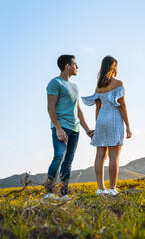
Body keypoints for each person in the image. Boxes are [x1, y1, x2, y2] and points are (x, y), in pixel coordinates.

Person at [45, 55, 94, 200]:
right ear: (67, 66)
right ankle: (48, 193)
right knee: (59, 156)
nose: (77, 67)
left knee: (68, 161)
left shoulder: (75, 86)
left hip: (75, 129)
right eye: (75, 65)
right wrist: (58, 128)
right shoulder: (55, 83)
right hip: (61, 127)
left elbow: (78, 110)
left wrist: (86, 129)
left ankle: (63, 194)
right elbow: (50, 107)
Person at [82, 56, 132, 196]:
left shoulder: (99, 86)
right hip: (114, 119)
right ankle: (112, 188)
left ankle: (100, 188)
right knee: (114, 156)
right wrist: (128, 126)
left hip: (101, 120)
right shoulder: (118, 83)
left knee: (100, 155)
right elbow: (122, 106)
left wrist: (97, 125)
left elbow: (97, 108)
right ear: (113, 67)